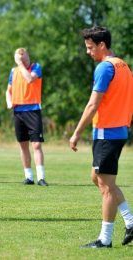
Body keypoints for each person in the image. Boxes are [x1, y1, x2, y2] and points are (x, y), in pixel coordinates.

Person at [69, 26, 133, 248]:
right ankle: (131, 222)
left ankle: (105, 240)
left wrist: (76, 133)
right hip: (118, 131)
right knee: (97, 178)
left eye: (90, 48)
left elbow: (92, 104)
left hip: (108, 133)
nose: (88, 52)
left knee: (106, 186)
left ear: (102, 46)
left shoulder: (105, 68)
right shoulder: (123, 66)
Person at [5, 48, 48, 186]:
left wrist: (20, 64)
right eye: (19, 58)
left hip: (33, 109)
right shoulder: (14, 71)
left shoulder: (36, 67)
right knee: (23, 145)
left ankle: (41, 177)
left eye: (23, 57)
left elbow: (29, 79)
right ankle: (28, 176)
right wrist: (9, 102)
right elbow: (8, 90)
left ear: (28, 56)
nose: (21, 60)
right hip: (18, 111)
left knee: (36, 144)